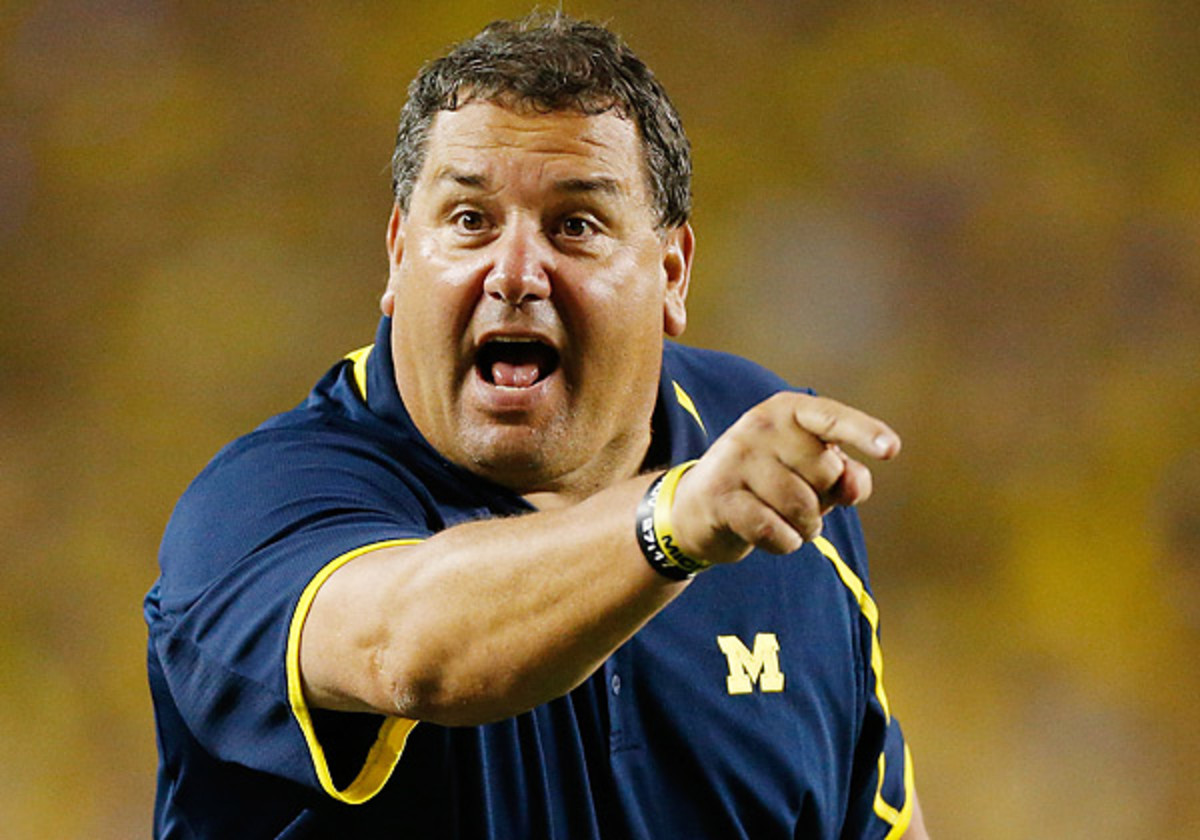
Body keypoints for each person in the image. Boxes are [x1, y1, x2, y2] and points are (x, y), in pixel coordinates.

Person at [145, 11, 930, 839]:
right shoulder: (260, 506)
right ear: (398, 255)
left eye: (576, 225)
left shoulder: (765, 479)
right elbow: (404, 647)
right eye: (469, 220)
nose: (516, 274)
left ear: (671, 273)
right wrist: (670, 524)